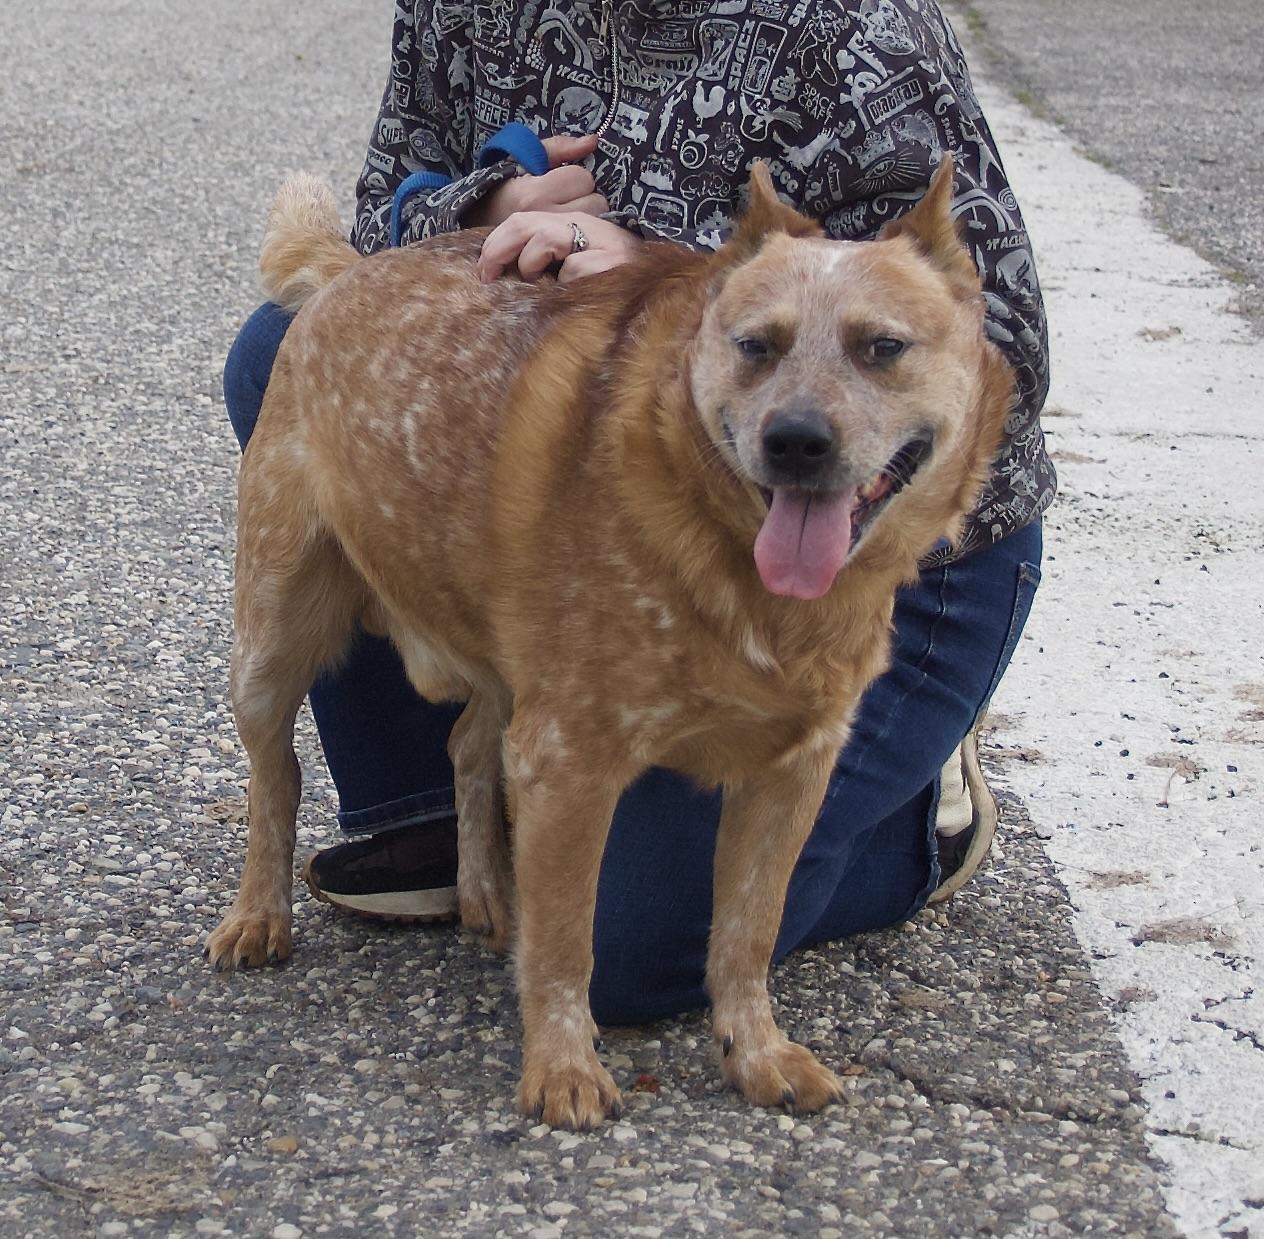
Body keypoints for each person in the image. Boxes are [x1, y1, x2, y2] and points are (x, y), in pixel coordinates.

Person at [223, 0, 1053, 1026]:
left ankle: (916, 815)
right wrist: (497, 200)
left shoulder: (855, 29)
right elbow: (389, 216)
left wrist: (680, 270)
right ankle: (437, 811)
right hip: (630, 512)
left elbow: (1005, 332)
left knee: (641, 961)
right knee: (282, 349)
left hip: (884, 550)